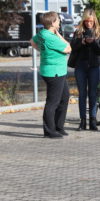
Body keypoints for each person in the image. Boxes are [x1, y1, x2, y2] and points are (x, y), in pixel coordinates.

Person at [30, 11, 72, 139]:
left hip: (56, 71)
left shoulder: (43, 33)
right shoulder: (51, 37)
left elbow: (32, 41)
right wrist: (58, 34)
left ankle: (59, 126)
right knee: (53, 102)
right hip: (54, 73)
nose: (60, 21)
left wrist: (43, 51)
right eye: (58, 19)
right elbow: (68, 48)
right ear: (53, 23)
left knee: (64, 97)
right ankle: (49, 131)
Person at [70, 9, 100, 131]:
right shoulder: (78, 32)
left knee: (93, 94)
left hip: (94, 67)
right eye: (86, 21)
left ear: (94, 20)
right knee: (82, 94)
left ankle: (92, 120)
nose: (88, 23)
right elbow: (73, 48)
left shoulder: (99, 33)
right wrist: (83, 42)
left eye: (91, 21)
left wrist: (93, 42)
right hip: (81, 66)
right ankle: (82, 121)